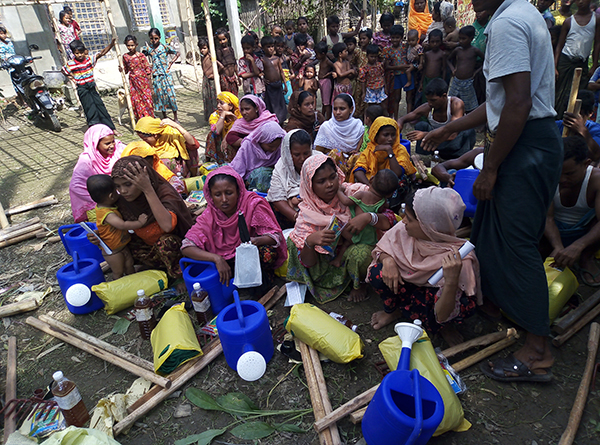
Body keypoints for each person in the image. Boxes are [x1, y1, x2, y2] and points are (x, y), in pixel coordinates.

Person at [422, 0, 562, 383]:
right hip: (527, 137)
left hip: (526, 142)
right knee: (486, 226)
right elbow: (499, 103)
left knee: (517, 242)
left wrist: (492, 167)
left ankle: (537, 350)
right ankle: (496, 304)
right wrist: (448, 129)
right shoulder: (522, 13)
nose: (471, 2)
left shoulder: (507, 25)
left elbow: (518, 104)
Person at [367, 187, 481, 346]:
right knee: (378, 274)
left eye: (410, 219)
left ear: (430, 226)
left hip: (435, 300)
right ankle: (395, 310)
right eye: (404, 214)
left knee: (444, 310)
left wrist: (451, 281)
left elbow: (442, 312)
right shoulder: (405, 230)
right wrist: (388, 260)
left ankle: (444, 328)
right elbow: (383, 248)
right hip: (410, 286)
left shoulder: (457, 259)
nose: (403, 220)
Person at [287, 153, 394, 303]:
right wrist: (310, 242)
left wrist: (369, 217)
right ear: (310, 185)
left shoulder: (354, 192)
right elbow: (308, 262)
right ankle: (338, 279)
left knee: (361, 254)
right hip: (329, 263)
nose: (330, 184)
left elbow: (390, 217)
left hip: (355, 249)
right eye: (321, 181)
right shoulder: (307, 212)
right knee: (294, 241)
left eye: (333, 177)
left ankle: (360, 282)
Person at [182, 166, 287, 286]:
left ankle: (261, 283)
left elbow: (275, 236)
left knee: (267, 253)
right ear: (210, 196)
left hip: (251, 258)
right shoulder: (209, 216)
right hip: (226, 261)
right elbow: (187, 246)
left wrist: (256, 240)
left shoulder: (253, 205)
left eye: (229, 193)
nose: (224, 199)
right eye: (217, 195)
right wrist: (217, 259)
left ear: (238, 191)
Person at [109, 156, 193, 284]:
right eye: (118, 186)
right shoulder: (124, 201)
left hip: (178, 249)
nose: (123, 191)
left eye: (128, 184)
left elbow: (167, 226)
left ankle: (179, 276)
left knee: (166, 244)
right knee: (123, 243)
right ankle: (155, 268)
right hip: (149, 247)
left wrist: (147, 189)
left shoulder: (163, 192)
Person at [541, 135, 600, 286]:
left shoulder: (596, 180)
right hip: (552, 232)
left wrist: (578, 246)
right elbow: (548, 218)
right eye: (558, 172)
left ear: (586, 164)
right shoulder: (547, 177)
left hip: (585, 233)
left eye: (569, 174)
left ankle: (586, 257)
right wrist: (558, 246)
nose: (561, 179)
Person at [86, 174, 147, 279]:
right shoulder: (107, 214)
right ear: (111, 196)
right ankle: (118, 286)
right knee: (118, 272)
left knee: (129, 267)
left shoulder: (104, 206)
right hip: (112, 252)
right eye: (117, 190)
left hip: (121, 246)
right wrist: (140, 223)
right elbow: (122, 225)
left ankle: (132, 284)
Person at [398, 78, 475, 159]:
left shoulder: (456, 104)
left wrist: (425, 135)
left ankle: (460, 158)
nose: (430, 103)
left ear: (444, 96)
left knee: (468, 131)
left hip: (454, 144)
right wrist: (399, 125)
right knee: (421, 125)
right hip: (437, 145)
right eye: (428, 100)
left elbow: (452, 134)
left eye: (433, 100)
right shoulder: (427, 107)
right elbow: (403, 119)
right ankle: (425, 156)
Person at [70, 124, 125, 222]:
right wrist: (102, 200)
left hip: (120, 194)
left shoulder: (119, 149)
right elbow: (76, 186)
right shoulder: (86, 161)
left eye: (113, 141)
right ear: (95, 144)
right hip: (100, 202)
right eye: (107, 143)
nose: (112, 145)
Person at [554, 0, 600, 119]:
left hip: (582, 63)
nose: (580, 2)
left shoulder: (596, 19)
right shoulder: (569, 21)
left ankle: (573, 123)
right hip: (565, 62)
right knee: (560, 95)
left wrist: (594, 65)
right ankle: (558, 121)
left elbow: (597, 43)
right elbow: (560, 45)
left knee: (578, 95)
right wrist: (555, 66)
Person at [338, 169, 400, 249]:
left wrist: (339, 191)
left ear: (371, 180)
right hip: (369, 236)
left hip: (355, 230)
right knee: (349, 243)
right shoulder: (383, 202)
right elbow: (382, 210)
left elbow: (346, 201)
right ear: (389, 195)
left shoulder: (362, 194)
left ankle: (338, 259)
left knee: (342, 231)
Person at [62, 39, 116, 130]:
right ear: (73, 53)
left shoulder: (89, 60)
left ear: (84, 52)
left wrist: (111, 45)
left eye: (81, 52)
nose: (79, 55)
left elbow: (101, 53)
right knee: (89, 109)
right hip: (82, 88)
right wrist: (72, 78)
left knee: (100, 106)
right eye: (77, 53)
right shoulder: (71, 64)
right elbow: (63, 71)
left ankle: (111, 128)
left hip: (91, 87)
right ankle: (95, 130)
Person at [267, 129, 316, 228]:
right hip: (295, 218)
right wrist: (299, 218)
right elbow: (277, 198)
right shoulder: (281, 168)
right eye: (297, 155)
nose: (302, 159)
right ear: (288, 153)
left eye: (306, 153)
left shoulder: (318, 161)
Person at [351, 117, 416, 184]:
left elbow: (397, 173)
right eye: (386, 135)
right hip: (373, 185)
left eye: (393, 135)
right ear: (376, 135)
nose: (390, 139)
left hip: (392, 184)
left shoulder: (400, 150)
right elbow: (358, 171)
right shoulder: (370, 150)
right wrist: (369, 186)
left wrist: (389, 151)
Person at [314, 94, 365, 177]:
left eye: (342, 109)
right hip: (332, 171)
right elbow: (318, 153)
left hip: (352, 169)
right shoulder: (326, 127)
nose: (337, 112)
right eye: (335, 109)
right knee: (335, 153)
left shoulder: (358, 126)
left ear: (351, 109)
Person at [229, 121, 286, 192]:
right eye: (270, 146)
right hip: (250, 179)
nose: (274, 149)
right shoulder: (248, 145)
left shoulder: (282, 143)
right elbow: (238, 168)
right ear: (261, 141)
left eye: (276, 146)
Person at [134, 117, 200, 177]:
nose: (144, 142)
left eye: (145, 139)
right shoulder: (149, 144)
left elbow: (193, 144)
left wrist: (176, 126)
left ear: (155, 135)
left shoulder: (171, 134)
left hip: (178, 172)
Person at [121, 141, 186, 194]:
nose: (147, 170)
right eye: (142, 167)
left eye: (149, 166)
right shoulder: (124, 177)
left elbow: (178, 184)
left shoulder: (158, 168)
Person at [447, 26, 485, 113]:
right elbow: (448, 59)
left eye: (464, 39)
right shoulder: (458, 50)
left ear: (471, 39)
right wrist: (453, 69)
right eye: (460, 38)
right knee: (450, 103)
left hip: (468, 82)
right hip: (456, 81)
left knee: (470, 107)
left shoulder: (475, 51)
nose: (460, 41)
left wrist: (476, 72)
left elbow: (486, 61)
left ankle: (468, 123)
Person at [144, 28, 179, 121]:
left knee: (170, 95)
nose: (154, 41)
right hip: (156, 75)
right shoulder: (149, 49)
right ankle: (164, 116)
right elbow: (142, 56)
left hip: (166, 75)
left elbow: (177, 53)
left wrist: (171, 63)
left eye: (156, 38)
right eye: (152, 38)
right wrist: (148, 65)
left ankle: (175, 117)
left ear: (159, 37)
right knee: (160, 96)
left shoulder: (164, 47)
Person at [556, 90, 600, 162]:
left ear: (590, 113)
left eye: (579, 115)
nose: (573, 118)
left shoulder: (596, 130)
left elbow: (596, 156)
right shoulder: (556, 126)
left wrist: (581, 130)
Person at [122, 35, 154, 121]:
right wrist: (121, 69)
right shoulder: (125, 57)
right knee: (137, 101)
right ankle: (141, 119)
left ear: (136, 45)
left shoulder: (141, 56)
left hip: (143, 82)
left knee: (147, 100)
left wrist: (150, 86)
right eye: (128, 45)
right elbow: (125, 70)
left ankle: (149, 119)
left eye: (132, 45)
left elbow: (148, 70)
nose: (130, 47)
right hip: (133, 82)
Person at [205, 92, 241, 164]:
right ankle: (215, 161)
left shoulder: (240, 115)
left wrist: (227, 137)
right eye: (218, 103)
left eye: (222, 103)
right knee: (211, 134)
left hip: (235, 146)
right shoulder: (215, 116)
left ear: (230, 106)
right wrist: (223, 116)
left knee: (232, 138)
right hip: (220, 145)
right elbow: (216, 131)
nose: (218, 106)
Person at [261, 35, 288, 124]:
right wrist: (263, 80)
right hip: (270, 86)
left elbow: (281, 71)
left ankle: (281, 121)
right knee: (271, 105)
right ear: (263, 48)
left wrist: (285, 84)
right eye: (268, 47)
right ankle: (273, 121)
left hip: (278, 84)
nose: (271, 49)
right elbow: (260, 72)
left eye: (272, 46)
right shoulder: (263, 60)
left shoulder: (277, 59)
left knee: (280, 104)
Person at [359, 44, 388, 110]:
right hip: (370, 89)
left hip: (380, 88)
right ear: (367, 56)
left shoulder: (379, 65)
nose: (373, 58)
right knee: (372, 106)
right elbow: (363, 81)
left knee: (383, 105)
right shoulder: (364, 69)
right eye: (371, 56)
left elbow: (383, 76)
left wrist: (385, 87)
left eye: (375, 57)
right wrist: (363, 92)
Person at [315, 41, 336, 119]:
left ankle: (328, 119)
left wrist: (330, 73)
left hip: (326, 82)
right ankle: (323, 116)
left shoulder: (327, 61)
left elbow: (335, 67)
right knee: (324, 101)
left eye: (317, 54)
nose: (316, 56)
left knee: (327, 103)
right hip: (322, 81)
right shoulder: (322, 60)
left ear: (323, 54)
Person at [405, 29, 424, 113]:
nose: (410, 42)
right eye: (409, 40)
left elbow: (421, 56)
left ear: (417, 39)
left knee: (408, 71)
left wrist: (420, 64)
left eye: (413, 40)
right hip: (410, 62)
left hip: (414, 64)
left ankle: (409, 82)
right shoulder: (409, 46)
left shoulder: (418, 47)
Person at [421, 29, 445, 96]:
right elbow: (425, 68)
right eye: (432, 42)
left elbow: (444, 69)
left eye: (437, 41)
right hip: (426, 80)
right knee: (426, 98)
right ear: (429, 42)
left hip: (437, 80)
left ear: (441, 42)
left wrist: (443, 82)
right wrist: (421, 82)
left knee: (436, 98)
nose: (435, 44)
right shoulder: (427, 54)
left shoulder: (442, 54)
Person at [199, 37, 217, 123]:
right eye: (201, 48)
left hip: (212, 80)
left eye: (204, 48)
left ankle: (215, 116)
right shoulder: (202, 57)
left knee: (214, 97)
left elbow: (220, 66)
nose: (202, 50)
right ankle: (209, 116)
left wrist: (214, 74)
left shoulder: (211, 57)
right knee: (206, 97)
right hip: (205, 80)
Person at [215, 28, 239, 95]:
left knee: (235, 95)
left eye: (224, 39)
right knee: (227, 95)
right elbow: (219, 65)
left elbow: (234, 64)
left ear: (227, 38)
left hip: (233, 77)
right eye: (220, 40)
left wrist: (238, 76)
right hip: (225, 77)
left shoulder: (231, 49)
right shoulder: (219, 51)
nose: (222, 42)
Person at [275, 36, 293, 104]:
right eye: (278, 46)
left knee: (289, 100)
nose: (280, 48)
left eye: (282, 46)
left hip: (287, 81)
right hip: (278, 82)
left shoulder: (286, 58)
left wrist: (293, 74)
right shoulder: (274, 59)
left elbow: (289, 67)